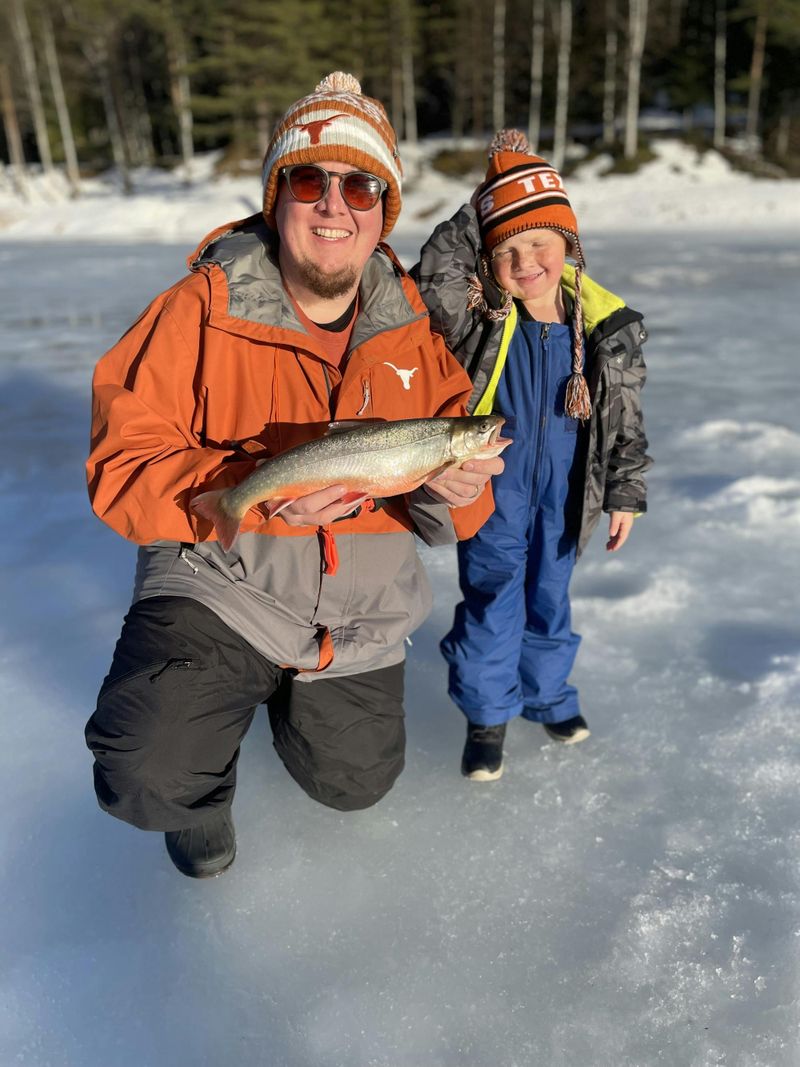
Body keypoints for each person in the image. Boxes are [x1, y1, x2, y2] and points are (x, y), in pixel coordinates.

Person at [84, 72, 503, 878]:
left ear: (384, 211)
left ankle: (285, 694)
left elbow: (460, 508)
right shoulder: (198, 307)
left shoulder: (415, 330)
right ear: (277, 197)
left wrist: (457, 485)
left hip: (359, 611)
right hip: (224, 585)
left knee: (355, 782)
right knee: (150, 768)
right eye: (310, 181)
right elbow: (120, 463)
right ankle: (199, 798)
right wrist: (258, 493)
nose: (334, 204)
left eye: (361, 186)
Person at [412, 129, 652, 782]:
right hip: (496, 490)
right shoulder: (482, 319)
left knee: (550, 598)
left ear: (568, 243)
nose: (525, 263)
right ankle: (487, 714)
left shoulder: (604, 327)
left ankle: (548, 696)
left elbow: (625, 419)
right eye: (507, 251)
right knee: (494, 599)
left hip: (569, 494)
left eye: (540, 243)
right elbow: (434, 274)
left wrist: (626, 491)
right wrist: (484, 203)